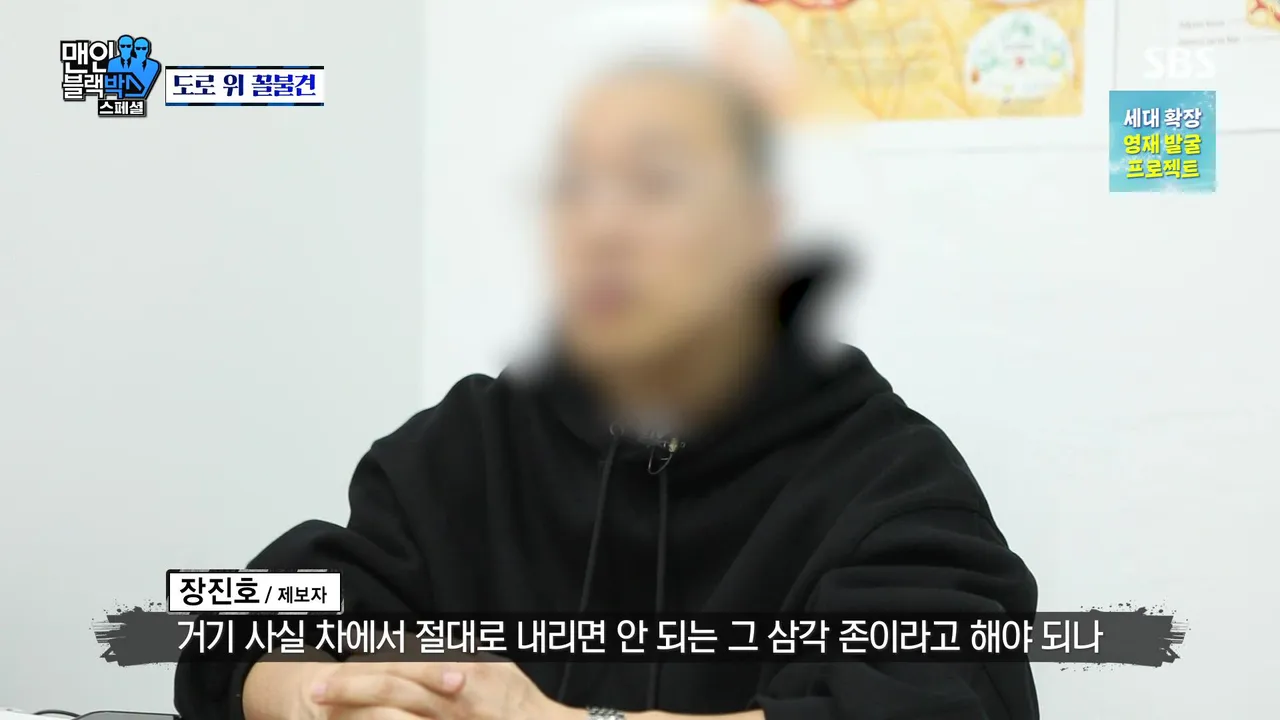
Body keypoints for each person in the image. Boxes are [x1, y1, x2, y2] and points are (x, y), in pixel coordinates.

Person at [174, 59, 1039, 720]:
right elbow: (236, 624)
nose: (605, 228)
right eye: (574, 193)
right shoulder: (475, 439)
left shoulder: (885, 473)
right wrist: (311, 694)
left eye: (657, 187)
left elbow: (946, 698)